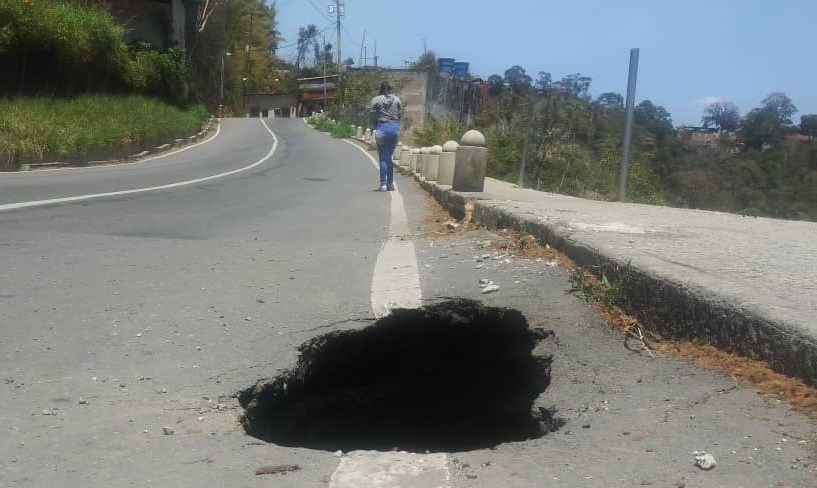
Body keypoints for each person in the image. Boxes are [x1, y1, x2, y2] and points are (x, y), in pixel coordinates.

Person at [369, 81, 402, 191]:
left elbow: (372, 115)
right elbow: (399, 114)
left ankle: (383, 184)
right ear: (390, 88)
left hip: (382, 128)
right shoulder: (397, 99)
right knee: (389, 157)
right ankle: (390, 184)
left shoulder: (376, 100)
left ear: (381, 88)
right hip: (394, 128)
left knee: (383, 157)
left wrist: (375, 125)